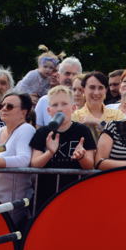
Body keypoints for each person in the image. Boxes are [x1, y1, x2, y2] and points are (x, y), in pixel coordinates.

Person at [30, 85, 96, 216]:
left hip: (75, 194)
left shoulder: (83, 131)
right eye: (55, 105)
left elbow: (90, 165)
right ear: (49, 110)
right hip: (46, 196)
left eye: (64, 104)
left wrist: (81, 157)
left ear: (73, 108)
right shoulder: (42, 133)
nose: (59, 108)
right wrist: (49, 153)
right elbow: (35, 164)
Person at [0, 92, 35, 227]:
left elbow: (24, 159)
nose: (3, 109)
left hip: (14, 203)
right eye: (1, 105)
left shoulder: (26, 129)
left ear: (23, 113)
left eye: (9, 106)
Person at [72, 71, 125, 145]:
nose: (96, 92)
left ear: (106, 90)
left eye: (100, 88)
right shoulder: (75, 116)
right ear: (84, 90)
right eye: (92, 87)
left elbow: (123, 138)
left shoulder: (117, 114)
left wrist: (99, 122)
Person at [35, 57, 83, 127]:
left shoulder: (84, 101)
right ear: (58, 76)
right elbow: (37, 127)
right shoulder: (44, 101)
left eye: (74, 74)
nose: (70, 77)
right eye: (67, 74)